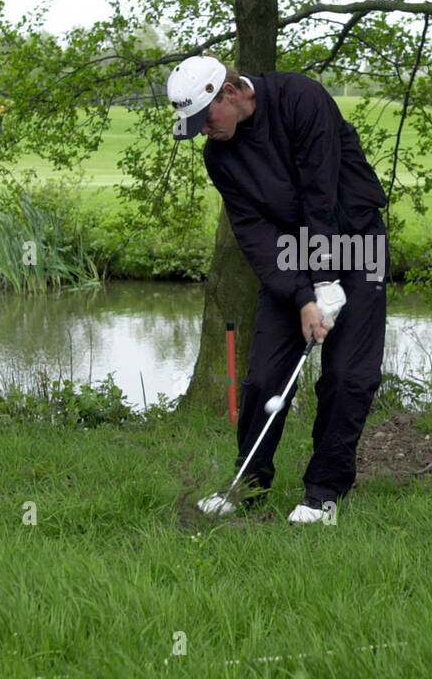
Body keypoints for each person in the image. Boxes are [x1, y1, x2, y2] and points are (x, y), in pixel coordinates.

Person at [167, 55, 390, 524]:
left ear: (228, 93)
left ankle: (323, 493)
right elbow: (253, 232)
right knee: (265, 378)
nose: (204, 130)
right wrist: (304, 297)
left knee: (348, 376)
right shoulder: (220, 156)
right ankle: (247, 484)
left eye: (205, 118)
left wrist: (327, 281)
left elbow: (320, 195)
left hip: (355, 242)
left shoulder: (298, 98)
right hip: (290, 253)